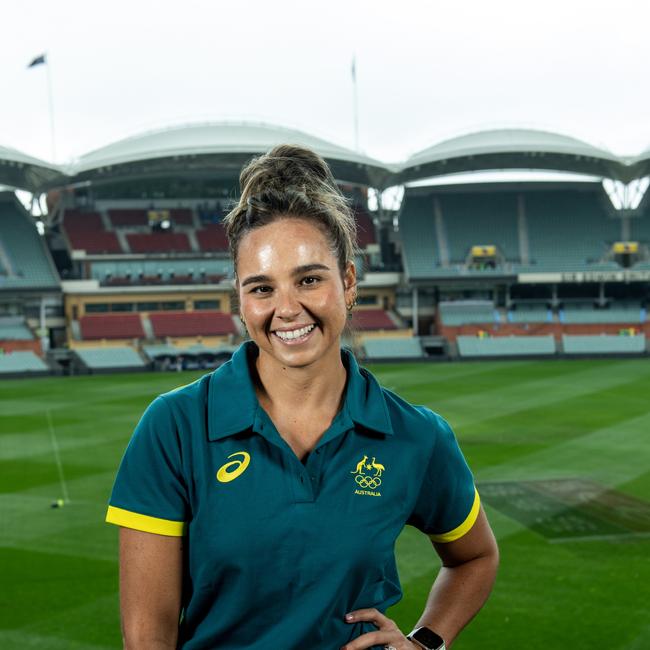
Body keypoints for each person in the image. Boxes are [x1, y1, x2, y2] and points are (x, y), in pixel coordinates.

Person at [105, 145, 499, 650]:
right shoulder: (173, 427)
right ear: (240, 299)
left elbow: (475, 557)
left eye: (309, 279)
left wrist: (426, 641)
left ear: (349, 283)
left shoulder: (417, 435)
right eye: (262, 289)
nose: (287, 309)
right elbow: (147, 637)